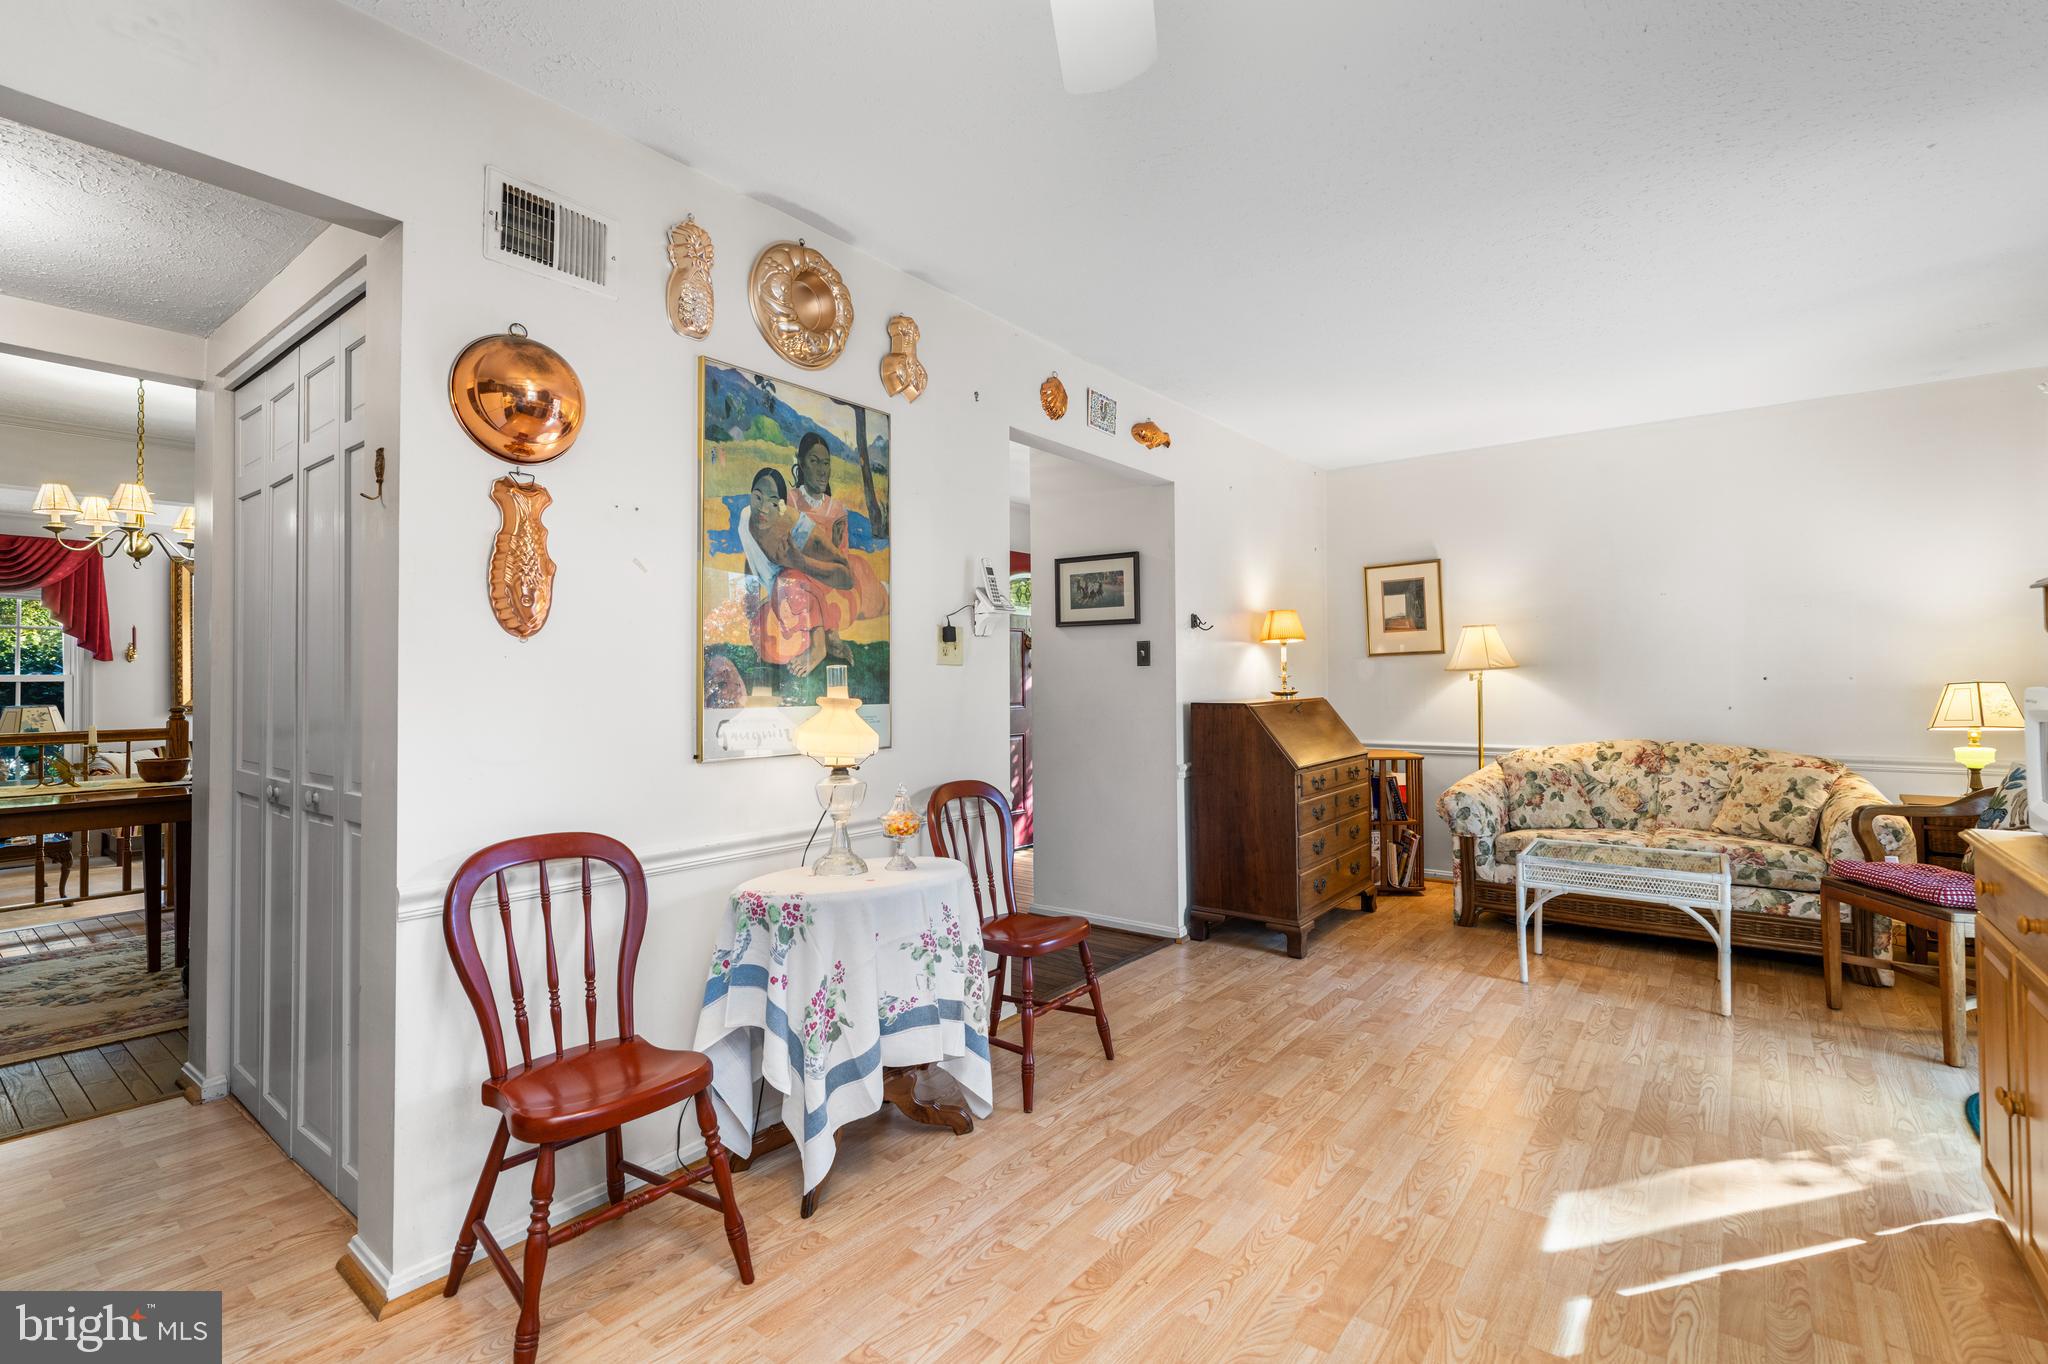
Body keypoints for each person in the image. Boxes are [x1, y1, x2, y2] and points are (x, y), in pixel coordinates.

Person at [742, 444, 887, 677]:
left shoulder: (828, 512)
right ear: (800, 464)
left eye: (826, 463)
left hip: (824, 585)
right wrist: (751, 596)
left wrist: (799, 562)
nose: (822, 470)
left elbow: (843, 568)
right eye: (814, 461)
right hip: (793, 591)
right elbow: (752, 556)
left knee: (866, 590)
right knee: (766, 640)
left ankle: (822, 643)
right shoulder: (780, 502)